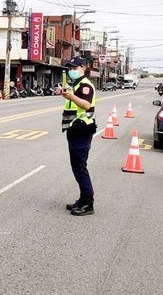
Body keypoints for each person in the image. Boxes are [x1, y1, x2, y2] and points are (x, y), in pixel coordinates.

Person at [61, 57, 97, 216]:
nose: (72, 70)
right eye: (70, 68)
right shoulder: (76, 84)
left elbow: (86, 105)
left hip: (81, 129)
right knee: (77, 167)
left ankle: (88, 203)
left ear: (83, 68)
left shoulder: (85, 85)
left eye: (75, 67)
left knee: (80, 167)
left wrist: (71, 97)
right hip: (74, 129)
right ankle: (83, 199)